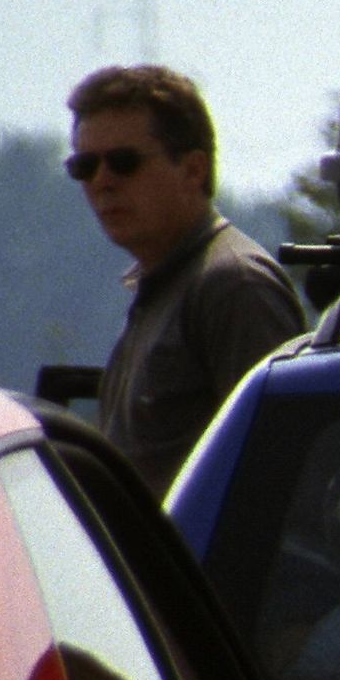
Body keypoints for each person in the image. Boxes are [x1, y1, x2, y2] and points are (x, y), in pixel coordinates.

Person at [67, 64, 308, 494]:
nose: (102, 182)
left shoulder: (234, 286)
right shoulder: (163, 285)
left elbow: (279, 469)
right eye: (85, 166)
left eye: (124, 162)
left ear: (193, 170)